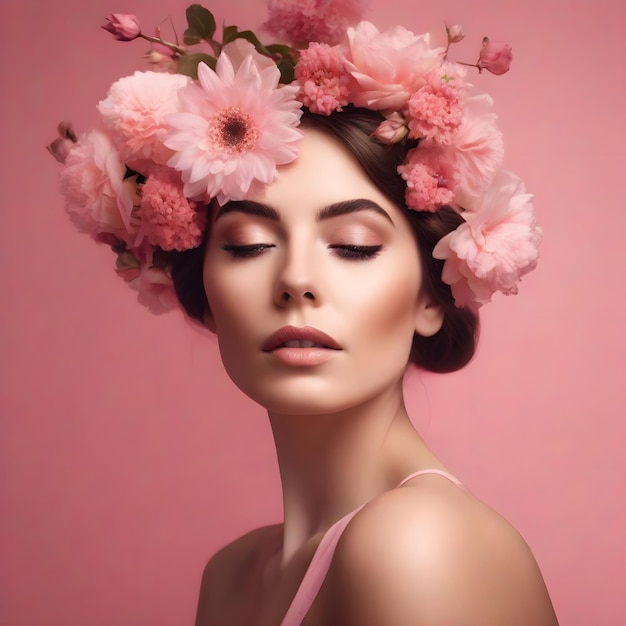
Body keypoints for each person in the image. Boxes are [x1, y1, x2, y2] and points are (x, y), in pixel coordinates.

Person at [49, 2, 558, 624]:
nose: (294, 281)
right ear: (202, 290)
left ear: (432, 296)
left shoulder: (418, 545)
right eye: (248, 246)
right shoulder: (232, 574)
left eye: (353, 246)